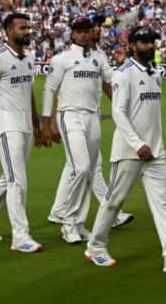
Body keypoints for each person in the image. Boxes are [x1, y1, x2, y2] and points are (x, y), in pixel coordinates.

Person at [85, 25, 166, 273]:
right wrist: (138, 145)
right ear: (133, 45)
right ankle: (96, 246)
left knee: (163, 207)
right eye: (145, 42)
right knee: (113, 201)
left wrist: (152, 146)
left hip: (156, 152)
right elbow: (118, 112)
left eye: (152, 41)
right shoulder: (123, 74)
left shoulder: (154, 73)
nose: (150, 46)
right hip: (129, 151)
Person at [0, 13, 53, 253]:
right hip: (7, 127)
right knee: (18, 181)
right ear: (8, 31)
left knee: (9, 177)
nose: (27, 31)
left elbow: (29, 94)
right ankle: (20, 236)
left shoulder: (29, 57)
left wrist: (37, 127)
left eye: (28, 27)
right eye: (22, 28)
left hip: (26, 126)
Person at [46, 15, 133, 243]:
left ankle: (78, 223)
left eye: (87, 30)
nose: (84, 34)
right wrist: (50, 121)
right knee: (82, 168)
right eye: (79, 30)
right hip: (70, 115)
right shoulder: (62, 59)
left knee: (89, 171)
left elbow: (113, 81)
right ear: (73, 33)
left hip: (93, 116)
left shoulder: (99, 57)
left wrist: (124, 64)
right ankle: (67, 222)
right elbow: (50, 90)